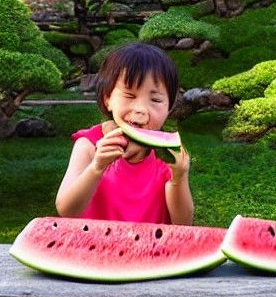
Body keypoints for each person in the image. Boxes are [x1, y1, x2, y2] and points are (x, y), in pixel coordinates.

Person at [56, 42, 193, 225]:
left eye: (155, 99)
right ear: (108, 99)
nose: (141, 109)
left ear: (169, 108)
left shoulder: (168, 154)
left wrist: (179, 177)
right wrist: (96, 167)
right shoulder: (88, 145)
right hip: (95, 249)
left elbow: (182, 224)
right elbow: (67, 210)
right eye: (129, 96)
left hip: (151, 250)